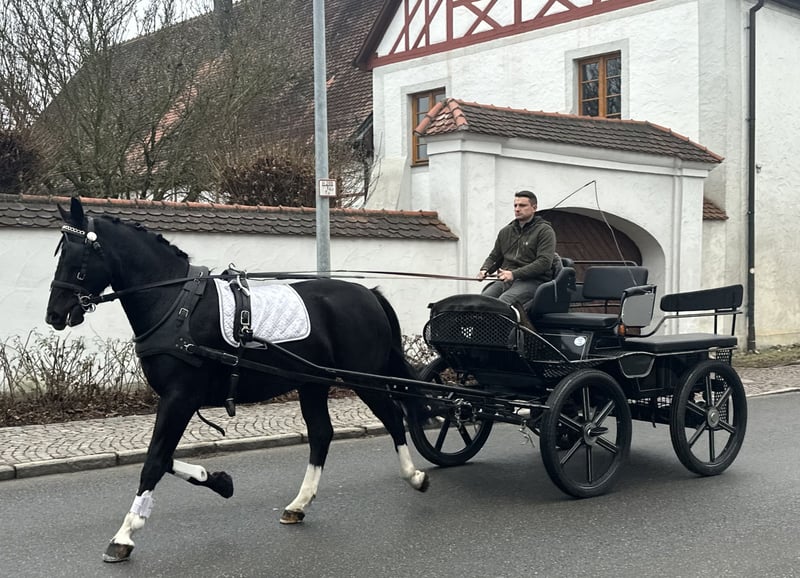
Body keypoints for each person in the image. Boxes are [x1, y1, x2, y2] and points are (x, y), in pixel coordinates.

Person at [477, 190, 557, 305]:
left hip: (534, 280)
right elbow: (494, 256)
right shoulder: (505, 231)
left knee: (504, 302)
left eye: (522, 205)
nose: (517, 209)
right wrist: (485, 269)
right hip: (507, 280)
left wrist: (513, 274)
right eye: (515, 205)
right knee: (482, 301)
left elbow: (544, 262)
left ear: (534, 208)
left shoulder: (545, 231)